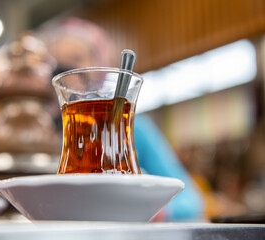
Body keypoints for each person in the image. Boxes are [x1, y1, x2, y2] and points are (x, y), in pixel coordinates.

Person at [37, 17, 204, 221]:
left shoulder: (136, 128)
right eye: (57, 63)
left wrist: (152, 211)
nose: (67, 69)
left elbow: (190, 201)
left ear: (99, 63)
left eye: (76, 58)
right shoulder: (41, 131)